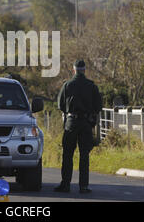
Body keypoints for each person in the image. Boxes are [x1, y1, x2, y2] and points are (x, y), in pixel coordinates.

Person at [54, 60, 102, 194]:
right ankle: (83, 186)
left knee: (68, 154)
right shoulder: (91, 86)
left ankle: (65, 184)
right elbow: (98, 106)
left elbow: (60, 105)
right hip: (86, 123)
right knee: (84, 155)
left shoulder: (67, 85)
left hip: (71, 122)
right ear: (84, 70)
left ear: (73, 70)